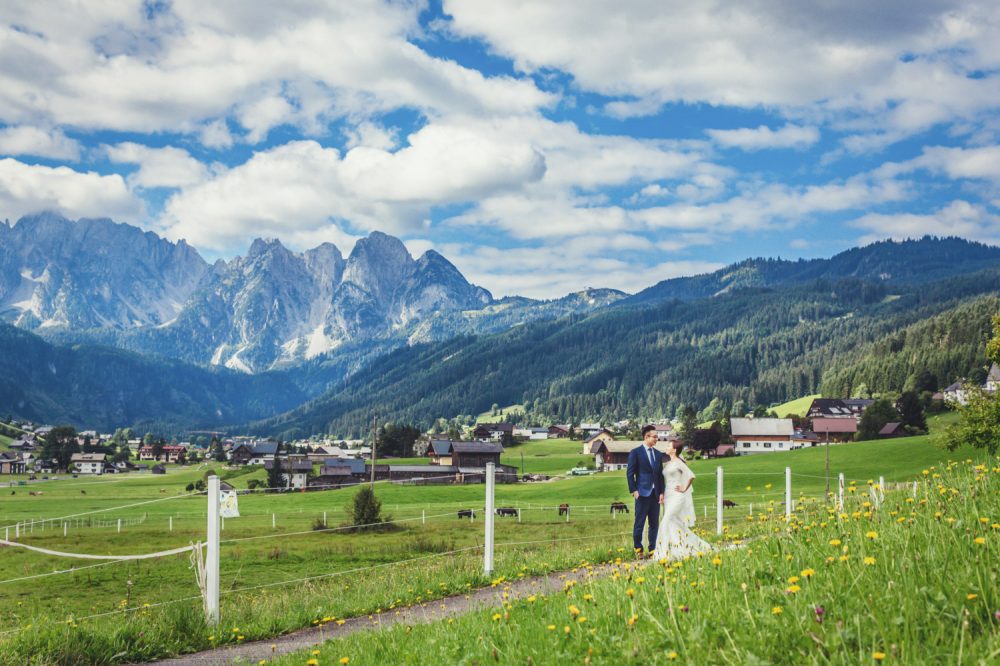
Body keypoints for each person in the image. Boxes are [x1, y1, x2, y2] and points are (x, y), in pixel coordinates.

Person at [652, 440, 711, 560]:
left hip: (677, 496)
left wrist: (684, 488)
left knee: (666, 520)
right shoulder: (668, 463)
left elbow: (691, 475)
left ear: (674, 449)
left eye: (669, 446)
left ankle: (662, 552)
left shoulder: (679, 462)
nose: (667, 447)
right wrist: (662, 494)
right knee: (673, 522)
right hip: (668, 496)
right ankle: (679, 548)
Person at [626, 425, 664, 556]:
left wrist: (661, 493)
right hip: (641, 494)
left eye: (657, 438)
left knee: (654, 524)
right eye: (654, 437)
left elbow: (660, 475)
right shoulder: (635, 452)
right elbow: (630, 473)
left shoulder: (658, 454)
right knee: (639, 523)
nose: (656, 440)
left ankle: (652, 550)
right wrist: (634, 490)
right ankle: (639, 549)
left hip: (655, 494)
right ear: (646, 437)